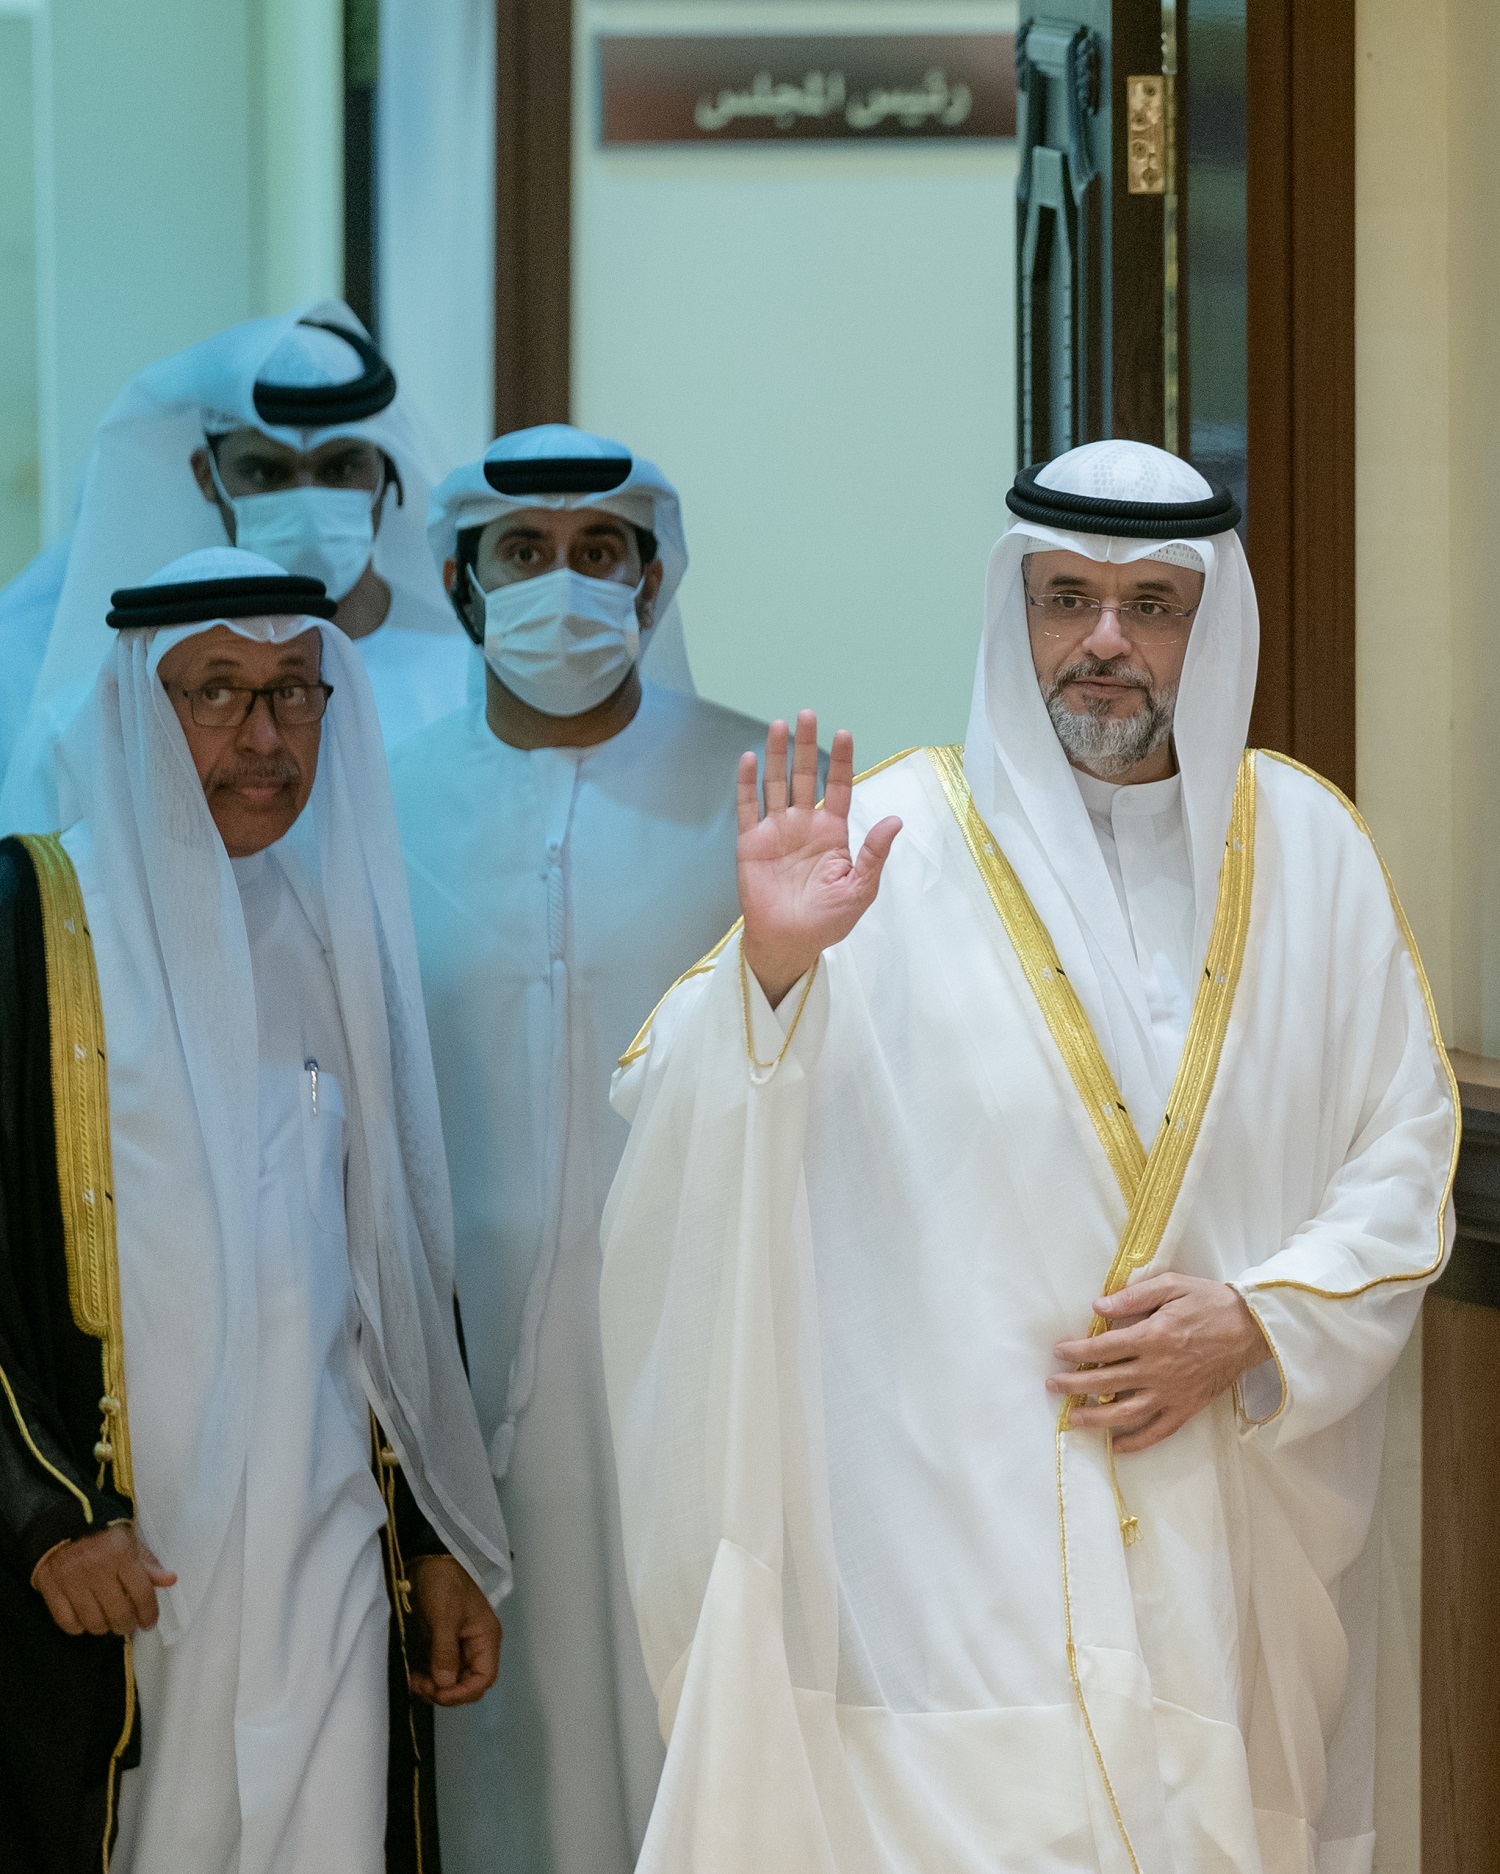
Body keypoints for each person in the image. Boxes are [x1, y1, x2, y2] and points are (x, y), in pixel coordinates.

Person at [600, 440, 1457, 1874]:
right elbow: (682, 1103)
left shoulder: (1311, 852)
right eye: (1067, 598)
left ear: (1211, 625)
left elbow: (1405, 1150)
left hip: (1221, 1522)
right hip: (949, 1539)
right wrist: (775, 970)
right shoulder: (893, 847)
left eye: (1150, 604)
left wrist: (1259, 1321)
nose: (1103, 639)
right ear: (1018, 612)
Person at [0, 547, 509, 1873]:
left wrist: (435, 1535)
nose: (265, 736)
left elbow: (399, 1255)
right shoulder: (30, 921)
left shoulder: (334, 929)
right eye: (216, 690)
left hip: (322, 1549)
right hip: (122, 1569)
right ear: (136, 706)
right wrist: (42, 1512)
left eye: (293, 689)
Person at [389, 424, 818, 1874]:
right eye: (523, 552)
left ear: (651, 579)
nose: (561, 582)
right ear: (464, 582)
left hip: (707, 1360)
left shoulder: (760, 785)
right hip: (459, 1394)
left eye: (598, 551)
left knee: (695, 1719)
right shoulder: (377, 800)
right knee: (500, 1762)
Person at [0, 298, 468, 815]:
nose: (307, 506)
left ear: (386, 471)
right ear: (206, 476)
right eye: (268, 473)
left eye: (339, 469)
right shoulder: (99, 723)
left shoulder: (469, 687)